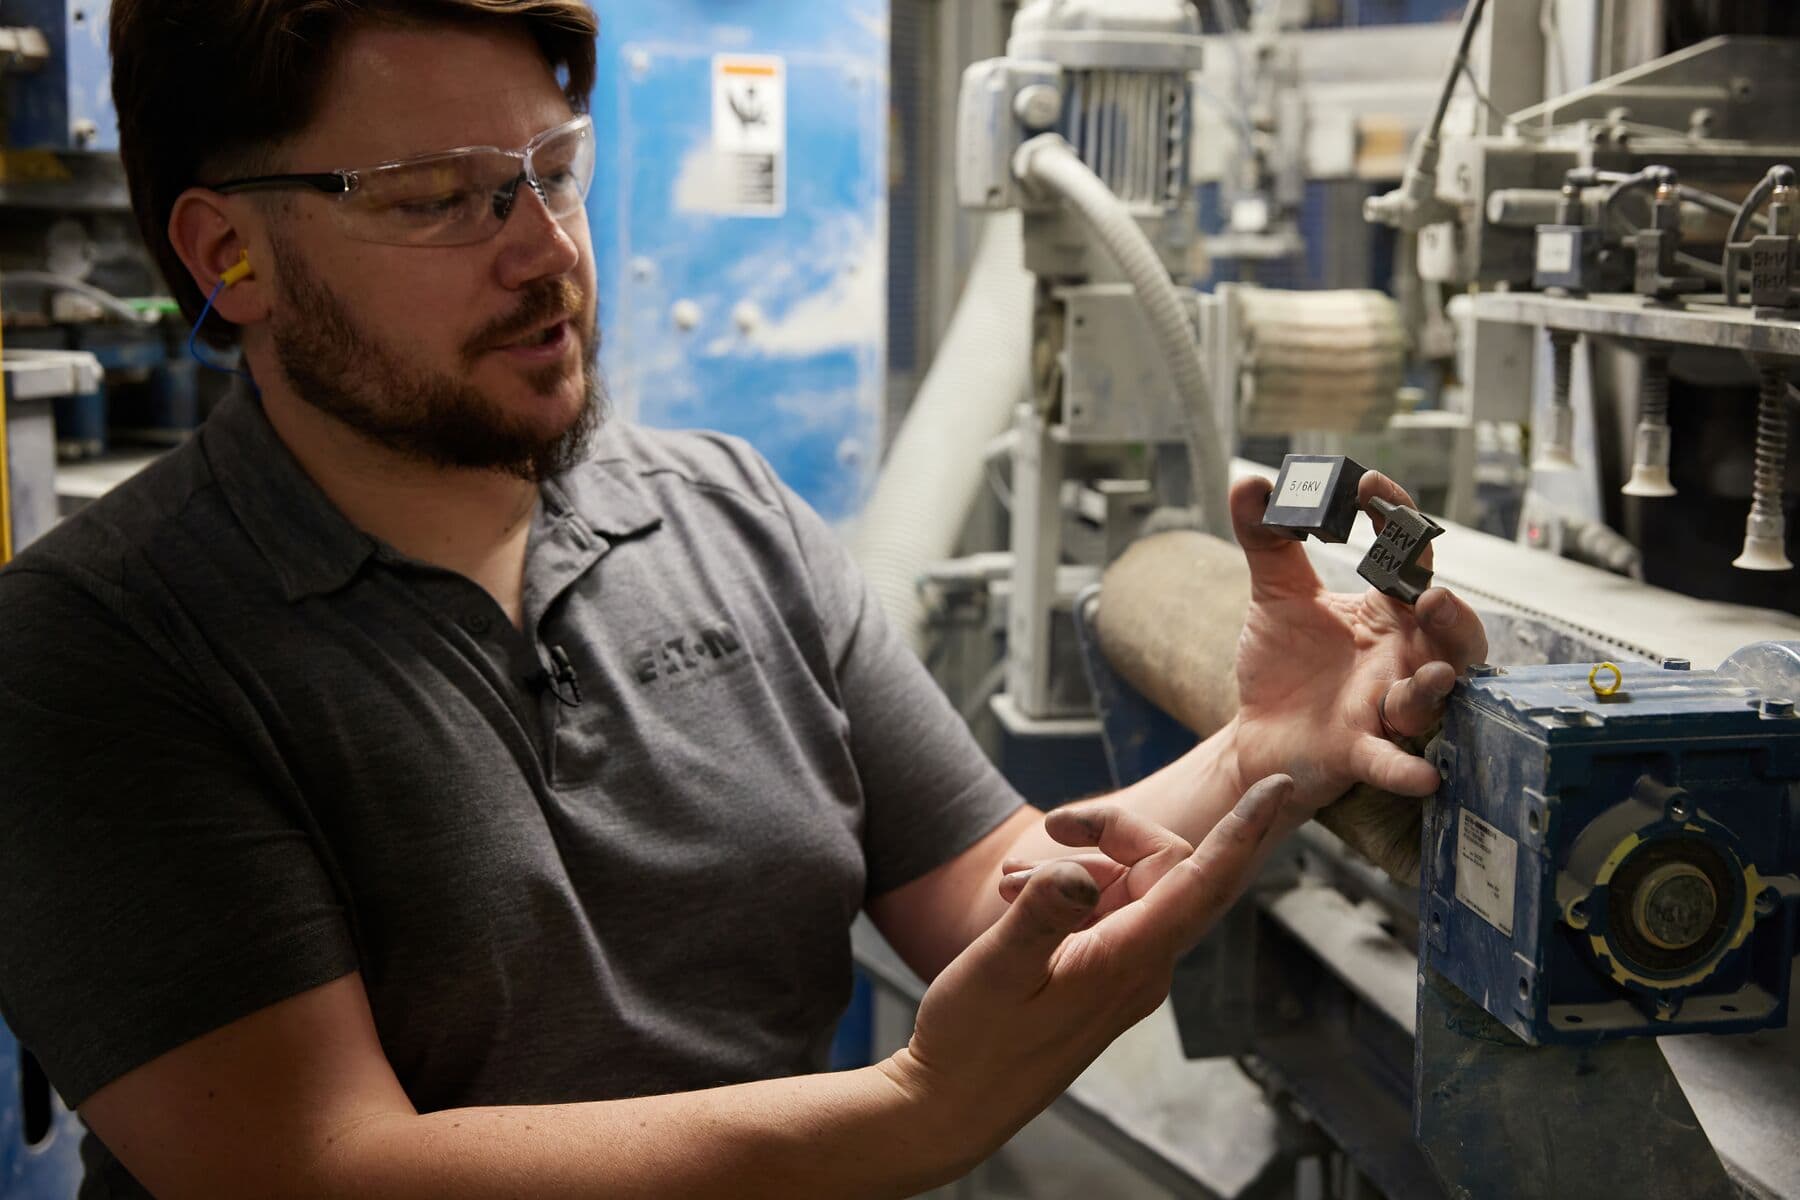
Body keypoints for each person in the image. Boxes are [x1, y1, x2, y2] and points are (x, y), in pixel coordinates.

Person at [0, 2, 1488, 1196]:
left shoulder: (728, 514)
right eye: (441, 200)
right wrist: (906, 1116)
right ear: (229, 253)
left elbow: (1003, 896)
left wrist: (1261, 749)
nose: (545, 256)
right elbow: (316, 1167)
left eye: (552, 172)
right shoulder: (100, 647)